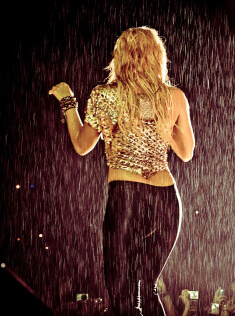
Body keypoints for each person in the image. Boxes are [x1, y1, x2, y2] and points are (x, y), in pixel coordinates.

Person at [49, 26, 195, 315]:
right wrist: (162, 123)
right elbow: (186, 153)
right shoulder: (174, 96)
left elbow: (81, 145)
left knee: (122, 296)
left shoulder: (105, 96)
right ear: (157, 56)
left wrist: (68, 101)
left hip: (127, 197)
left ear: (120, 57)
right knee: (148, 288)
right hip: (166, 200)